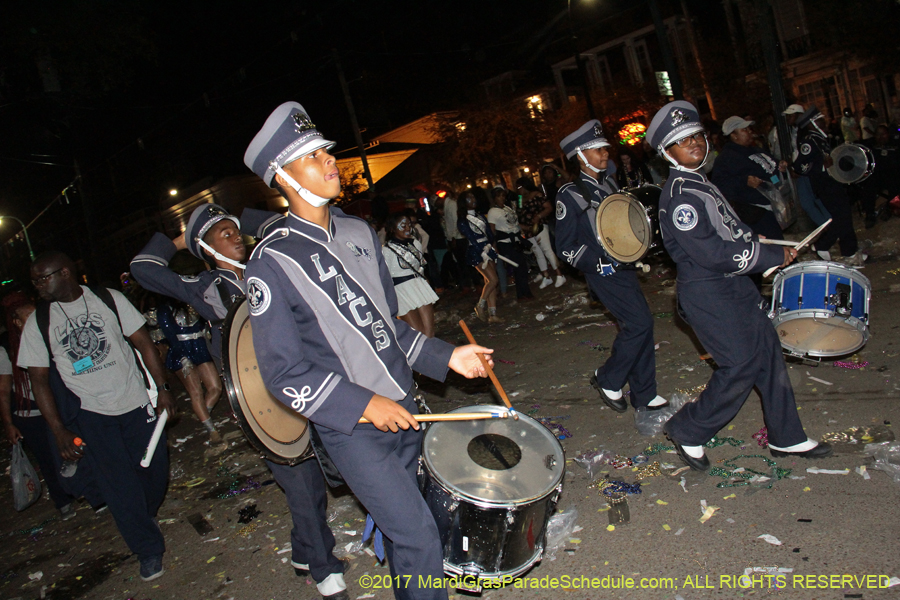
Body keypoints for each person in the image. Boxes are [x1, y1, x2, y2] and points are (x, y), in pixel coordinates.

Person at [242, 101, 494, 600]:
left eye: (325, 151)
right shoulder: (270, 262)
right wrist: (363, 404)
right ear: (283, 176)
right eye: (312, 156)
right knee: (419, 535)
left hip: (406, 407)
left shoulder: (359, 232)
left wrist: (447, 357)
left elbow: (388, 329)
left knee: (410, 537)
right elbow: (283, 373)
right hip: (352, 430)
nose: (329, 161)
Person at [131, 204, 350, 600]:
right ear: (206, 248)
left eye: (236, 231)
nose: (236, 237)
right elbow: (143, 267)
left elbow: (285, 225)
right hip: (260, 399)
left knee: (313, 476)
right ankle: (324, 567)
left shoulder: (265, 266)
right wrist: (185, 238)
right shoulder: (204, 286)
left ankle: (303, 551)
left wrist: (235, 217)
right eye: (224, 234)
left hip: (300, 384)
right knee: (299, 478)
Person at [645, 100, 833, 471]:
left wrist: (756, 240)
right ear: (666, 152)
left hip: (732, 287)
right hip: (709, 293)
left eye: (697, 135)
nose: (694, 143)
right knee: (740, 364)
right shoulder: (681, 195)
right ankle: (688, 429)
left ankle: (787, 436)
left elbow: (728, 230)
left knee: (768, 354)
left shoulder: (698, 181)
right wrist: (768, 256)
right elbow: (712, 252)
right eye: (682, 140)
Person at [17, 252, 176, 581]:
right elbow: (39, 381)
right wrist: (59, 430)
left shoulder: (108, 299)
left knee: (156, 468)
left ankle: (142, 515)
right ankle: (147, 549)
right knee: (118, 484)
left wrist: (162, 389)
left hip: (135, 401)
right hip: (90, 414)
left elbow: (144, 343)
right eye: (34, 280)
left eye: (43, 278)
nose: (38, 286)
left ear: (65, 272)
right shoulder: (39, 321)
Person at [555, 120, 668, 414]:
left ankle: (644, 393)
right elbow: (565, 247)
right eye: (597, 150)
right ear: (581, 156)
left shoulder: (609, 183)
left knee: (641, 324)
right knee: (640, 324)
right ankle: (608, 378)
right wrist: (597, 263)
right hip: (603, 272)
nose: (605, 153)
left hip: (624, 266)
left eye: (605, 148)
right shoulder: (569, 194)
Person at [1, 291, 77, 518]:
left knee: (73, 449)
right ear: (16, 321)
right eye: (28, 316)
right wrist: (8, 423)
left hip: (58, 406)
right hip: (31, 414)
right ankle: (62, 501)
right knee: (48, 459)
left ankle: (88, 490)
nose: (34, 320)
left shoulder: (48, 335)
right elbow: (3, 390)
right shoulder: (7, 349)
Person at [793, 106, 866, 265]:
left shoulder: (821, 139)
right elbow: (799, 166)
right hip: (824, 185)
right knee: (841, 218)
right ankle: (829, 247)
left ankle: (846, 250)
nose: (823, 122)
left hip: (833, 182)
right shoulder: (809, 141)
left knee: (844, 216)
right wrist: (821, 166)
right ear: (812, 123)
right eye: (819, 120)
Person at [154, 300, 224, 444]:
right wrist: (182, 357)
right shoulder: (165, 309)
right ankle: (212, 431)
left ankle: (203, 414)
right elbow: (170, 335)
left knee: (215, 388)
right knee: (196, 392)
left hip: (200, 347)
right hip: (181, 351)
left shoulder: (192, 301)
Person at [711, 115, 788, 241]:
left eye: (748, 129)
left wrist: (781, 168)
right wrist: (744, 181)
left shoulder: (755, 149)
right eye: (744, 130)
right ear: (734, 135)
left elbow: (771, 168)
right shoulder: (726, 157)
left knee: (777, 243)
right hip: (757, 212)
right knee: (775, 245)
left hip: (774, 204)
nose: (749, 132)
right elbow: (719, 185)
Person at [383, 213, 439, 337]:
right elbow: (385, 277)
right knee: (418, 335)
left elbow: (420, 265)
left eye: (409, 225)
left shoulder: (415, 243)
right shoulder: (386, 250)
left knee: (429, 333)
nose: (408, 228)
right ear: (392, 228)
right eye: (403, 226)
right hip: (400, 291)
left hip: (418, 286)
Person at [458, 190, 503, 323]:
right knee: (493, 280)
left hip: (487, 248)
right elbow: (471, 238)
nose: (473, 200)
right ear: (463, 202)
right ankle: (480, 305)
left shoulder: (481, 216)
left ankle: (492, 314)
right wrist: (482, 251)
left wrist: (490, 245)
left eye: (473, 197)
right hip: (476, 251)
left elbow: (489, 233)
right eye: (469, 198)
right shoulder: (462, 220)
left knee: (490, 282)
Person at [516, 176, 565, 289]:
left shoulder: (537, 194)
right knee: (537, 252)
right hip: (528, 229)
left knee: (547, 250)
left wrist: (538, 216)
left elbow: (548, 207)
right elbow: (518, 212)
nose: (518, 190)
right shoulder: (519, 199)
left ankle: (559, 274)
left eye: (519, 187)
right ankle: (546, 276)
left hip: (539, 226)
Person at [486, 186, 534, 302]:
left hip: (516, 239)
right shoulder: (493, 212)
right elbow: (492, 230)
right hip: (505, 242)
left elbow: (515, 224)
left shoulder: (508, 208)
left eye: (503, 196)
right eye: (499, 196)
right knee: (519, 266)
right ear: (494, 198)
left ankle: (524, 293)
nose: (502, 198)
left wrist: (527, 228)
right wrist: (494, 245)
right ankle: (522, 294)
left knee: (522, 266)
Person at [442, 192, 473, 292]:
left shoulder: (451, 204)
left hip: (458, 238)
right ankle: (467, 284)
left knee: (462, 262)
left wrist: (453, 237)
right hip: (455, 237)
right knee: (461, 262)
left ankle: (467, 284)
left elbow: (455, 222)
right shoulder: (449, 205)